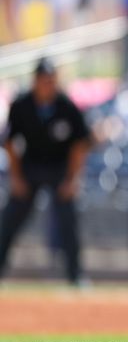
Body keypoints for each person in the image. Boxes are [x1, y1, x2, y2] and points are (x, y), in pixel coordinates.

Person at [0, 58, 91, 285]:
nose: (48, 85)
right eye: (44, 81)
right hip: (30, 166)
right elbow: (10, 143)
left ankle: (75, 276)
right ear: (35, 81)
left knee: (67, 221)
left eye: (52, 81)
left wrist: (72, 179)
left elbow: (80, 145)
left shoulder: (66, 106)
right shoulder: (21, 105)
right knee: (9, 220)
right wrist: (16, 177)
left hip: (60, 168)